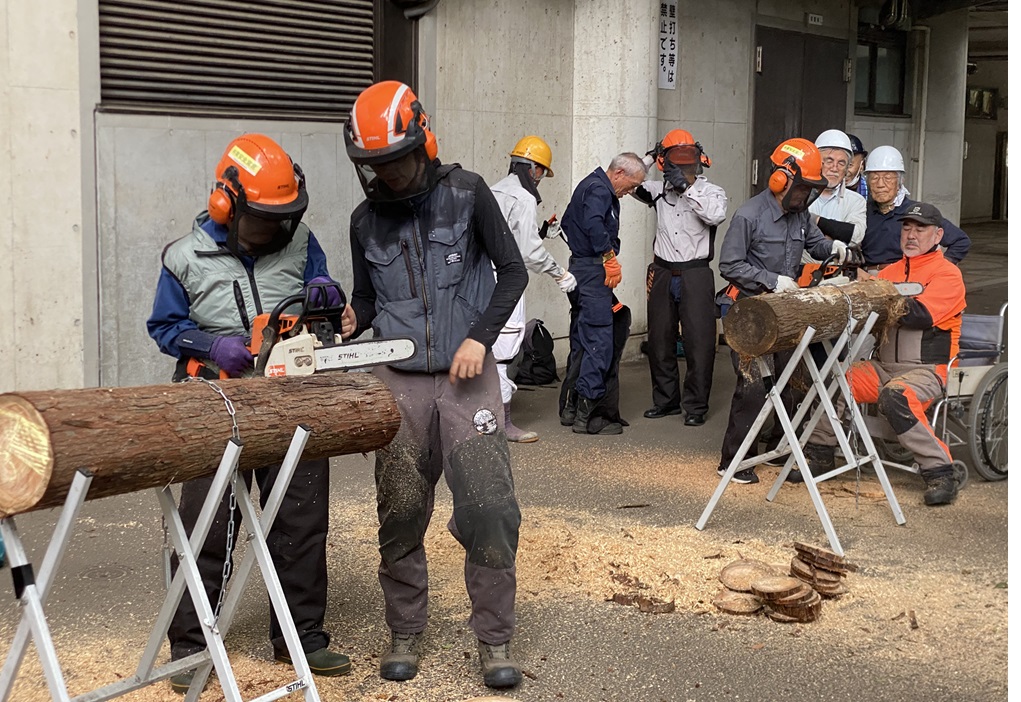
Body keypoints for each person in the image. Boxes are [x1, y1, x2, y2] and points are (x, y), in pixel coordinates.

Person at [339, 81, 528, 690]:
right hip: (398, 381)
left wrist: (479, 337)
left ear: (421, 140)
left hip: (467, 378)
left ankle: (495, 637)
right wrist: (349, 319)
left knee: (491, 507)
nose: (388, 174)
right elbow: (367, 301)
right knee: (399, 508)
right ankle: (405, 629)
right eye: (376, 165)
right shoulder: (365, 220)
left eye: (395, 159)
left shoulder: (468, 194)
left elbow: (514, 272)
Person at [147, 134, 350, 693]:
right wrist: (213, 347)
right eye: (263, 219)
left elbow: (322, 288)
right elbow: (164, 327)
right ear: (226, 206)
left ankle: (301, 637)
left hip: (290, 398)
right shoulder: (184, 256)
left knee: (301, 520)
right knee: (206, 526)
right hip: (215, 401)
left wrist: (323, 289)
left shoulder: (301, 239)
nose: (275, 230)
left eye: (283, 218)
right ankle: (191, 646)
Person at [803, 202, 966, 505]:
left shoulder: (948, 274)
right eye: (907, 227)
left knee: (896, 396)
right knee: (835, 377)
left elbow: (919, 314)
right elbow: (866, 309)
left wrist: (873, 293)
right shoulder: (890, 271)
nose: (912, 234)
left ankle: (940, 470)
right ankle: (820, 454)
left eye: (921, 228)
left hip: (926, 371)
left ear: (938, 234)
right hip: (882, 366)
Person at [716, 137, 849, 484]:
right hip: (749, 311)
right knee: (754, 386)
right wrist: (771, 280)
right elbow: (729, 264)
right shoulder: (749, 215)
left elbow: (814, 243)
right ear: (781, 178)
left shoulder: (799, 213)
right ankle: (734, 460)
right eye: (803, 188)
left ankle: (778, 448)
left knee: (792, 379)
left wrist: (832, 248)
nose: (807, 196)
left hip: (786, 311)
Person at [633, 129, 727, 426]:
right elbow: (630, 179)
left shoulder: (711, 191)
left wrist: (686, 187)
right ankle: (666, 401)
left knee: (699, 342)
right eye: (675, 162)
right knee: (660, 339)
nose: (682, 168)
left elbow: (715, 215)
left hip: (695, 273)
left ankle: (696, 407)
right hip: (662, 271)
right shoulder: (657, 190)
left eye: (686, 162)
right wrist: (651, 156)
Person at [490, 136, 577, 443]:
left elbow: (507, 236)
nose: (540, 179)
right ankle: (503, 423)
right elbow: (527, 252)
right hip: (507, 281)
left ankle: (483, 418)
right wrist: (560, 273)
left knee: (486, 347)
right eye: (541, 173)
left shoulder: (493, 190)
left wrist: (541, 232)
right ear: (533, 169)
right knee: (504, 352)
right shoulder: (525, 199)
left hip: (481, 280)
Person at [558, 152, 648, 435]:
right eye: (631, 185)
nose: (631, 192)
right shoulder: (599, 189)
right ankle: (588, 417)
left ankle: (570, 409)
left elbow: (565, 223)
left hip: (581, 269)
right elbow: (595, 224)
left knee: (582, 341)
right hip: (593, 272)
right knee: (599, 342)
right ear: (618, 174)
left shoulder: (590, 185)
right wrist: (608, 257)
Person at [861, 145, 971, 268]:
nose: (880, 184)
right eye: (874, 178)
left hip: (905, 279)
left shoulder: (916, 213)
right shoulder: (861, 210)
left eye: (888, 178)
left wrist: (939, 267)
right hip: (867, 277)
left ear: (900, 181)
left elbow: (961, 241)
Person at [804, 129, 867, 266]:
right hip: (800, 272)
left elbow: (855, 237)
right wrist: (836, 232)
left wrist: (814, 219)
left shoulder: (856, 201)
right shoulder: (800, 194)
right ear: (816, 162)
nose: (834, 168)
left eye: (841, 163)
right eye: (828, 160)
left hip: (838, 275)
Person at [844, 133, 868, 199]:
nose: (844, 171)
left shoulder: (873, 192)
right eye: (841, 164)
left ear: (862, 165)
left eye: (850, 165)